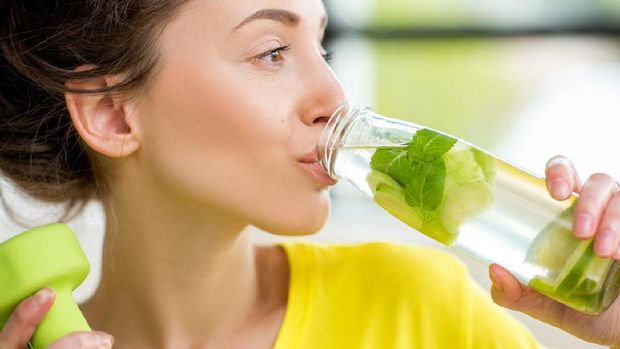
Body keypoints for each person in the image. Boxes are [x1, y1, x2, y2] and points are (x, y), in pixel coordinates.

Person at [0, 0, 619, 348]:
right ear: (110, 115)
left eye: (320, 48)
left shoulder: (415, 310)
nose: (334, 94)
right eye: (272, 52)